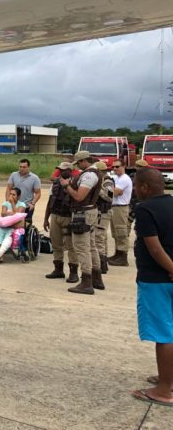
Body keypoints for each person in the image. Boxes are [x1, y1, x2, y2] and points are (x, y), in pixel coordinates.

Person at [130, 167, 173, 407]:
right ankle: (169, 377)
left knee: (164, 335)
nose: (135, 190)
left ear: (145, 187)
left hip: (157, 279)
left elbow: (154, 248)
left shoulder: (145, 209)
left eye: (137, 186)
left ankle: (164, 390)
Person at [60, 151, 104, 295]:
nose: (78, 166)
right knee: (91, 246)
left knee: (82, 247)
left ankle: (86, 281)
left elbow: (79, 196)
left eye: (78, 163)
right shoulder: (95, 173)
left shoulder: (88, 176)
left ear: (84, 161)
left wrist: (67, 186)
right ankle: (96, 278)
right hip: (89, 212)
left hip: (82, 214)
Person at [43, 161, 79, 282]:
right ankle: (58, 269)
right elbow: (50, 200)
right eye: (60, 170)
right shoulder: (55, 183)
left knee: (71, 246)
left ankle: (73, 272)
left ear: (70, 170)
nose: (62, 172)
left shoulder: (76, 183)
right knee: (56, 244)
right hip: (55, 215)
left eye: (64, 170)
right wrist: (45, 219)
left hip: (69, 217)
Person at [107, 158, 133, 267]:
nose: (115, 169)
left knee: (121, 232)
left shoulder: (124, 179)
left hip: (121, 208)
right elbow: (112, 191)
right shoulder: (116, 178)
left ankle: (123, 257)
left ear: (123, 167)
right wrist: (111, 189)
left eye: (117, 166)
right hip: (114, 207)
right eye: (113, 167)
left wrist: (110, 189)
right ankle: (118, 254)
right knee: (115, 232)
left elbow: (114, 193)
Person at [0, 187, 27, 261]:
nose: (11, 196)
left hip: (14, 226)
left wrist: (13, 204)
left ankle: (0, 252)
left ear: (18, 196)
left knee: (9, 234)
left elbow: (17, 215)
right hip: (4, 225)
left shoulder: (22, 204)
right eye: (10, 194)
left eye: (13, 195)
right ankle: (0, 254)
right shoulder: (5, 203)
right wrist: (12, 213)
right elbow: (3, 214)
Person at [91, 161, 112, 274]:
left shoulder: (107, 181)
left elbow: (110, 197)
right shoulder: (101, 180)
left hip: (103, 213)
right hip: (99, 212)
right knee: (101, 238)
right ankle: (102, 263)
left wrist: (98, 190)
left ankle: (101, 265)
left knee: (99, 238)